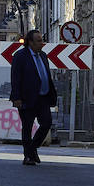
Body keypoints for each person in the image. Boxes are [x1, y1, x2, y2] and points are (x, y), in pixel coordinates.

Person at [10, 29, 58, 166]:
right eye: (38, 41)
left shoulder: (43, 55)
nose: (41, 43)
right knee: (27, 127)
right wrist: (16, 97)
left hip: (43, 97)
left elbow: (46, 75)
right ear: (30, 42)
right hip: (26, 98)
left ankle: (32, 148)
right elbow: (15, 78)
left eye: (41, 40)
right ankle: (28, 156)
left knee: (46, 123)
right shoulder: (20, 56)